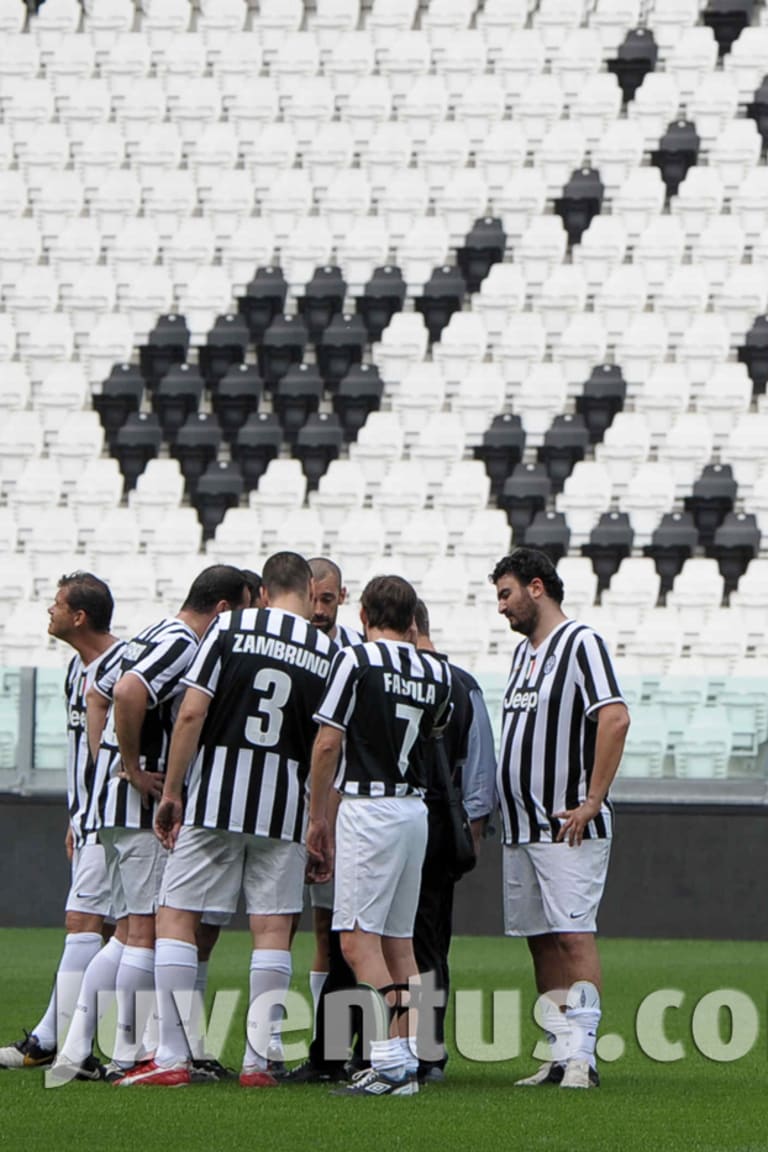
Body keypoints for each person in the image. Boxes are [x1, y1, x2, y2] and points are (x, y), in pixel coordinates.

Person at [114, 552, 337, 1089]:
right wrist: (317, 818)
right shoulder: (325, 649)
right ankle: (259, 1063)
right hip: (281, 807)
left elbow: (191, 711)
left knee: (176, 917)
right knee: (273, 928)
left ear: (263, 591)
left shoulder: (230, 628)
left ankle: (170, 1056)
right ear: (309, 589)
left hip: (215, 798)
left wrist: (172, 791)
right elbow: (327, 742)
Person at [49, 565, 249, 1082]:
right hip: (136, 808)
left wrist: (106, 764)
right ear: (224, 609)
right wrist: (132, 767)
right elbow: (128, 690)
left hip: (114, 806)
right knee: (143, 933)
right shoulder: (183, 641)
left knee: (127, 935)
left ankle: (75, 1052)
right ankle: (123, 1056)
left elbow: (97, 689)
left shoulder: (153, 632)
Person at [490, 548, 630, 1091]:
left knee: (573, 936)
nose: (501, 608)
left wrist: (593, 799)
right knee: (540, 940)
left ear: (536, 587)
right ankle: (558, 1054)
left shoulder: (581, 643)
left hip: (566, 825)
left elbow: (613, 718)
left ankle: (584, 1058)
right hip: (522, 827)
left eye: (506, 594)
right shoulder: (523, 656)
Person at [307, 574, 452, 1096]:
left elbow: (328, 743)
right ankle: (407, 1057)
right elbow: (436, 731)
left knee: (355, 938)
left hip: (369, 806)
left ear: (364, 615)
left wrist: (317, 814)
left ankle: (390, 1061)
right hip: (415, 808)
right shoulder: (437, 671)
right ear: (411, 619)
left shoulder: (357, 658)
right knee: (399, 942)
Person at [0, 573, 124, 1074]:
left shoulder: (123, 666)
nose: (48, 612)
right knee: (111, 927)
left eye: (56, 605)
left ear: (80, 617)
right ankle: (65, 1040)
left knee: (90, 924)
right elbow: (81, 750)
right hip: (90, 819)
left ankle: (60, 1044)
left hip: (116, 821)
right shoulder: (77, 669)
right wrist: (77, 814)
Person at [411, 599, 497, 1084]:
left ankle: (371, 1049)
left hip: (392, 824)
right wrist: (473, 831)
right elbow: (481, 764)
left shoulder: (380, 675)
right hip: (444, 827)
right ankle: (428, 1052)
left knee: (369, 940)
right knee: (429, 943)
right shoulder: (463, 685)